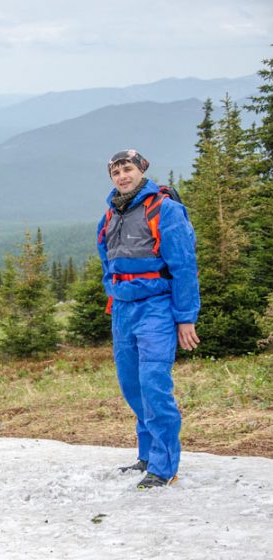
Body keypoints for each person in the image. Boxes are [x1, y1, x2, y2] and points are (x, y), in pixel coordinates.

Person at [97, 149, 200, 489]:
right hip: (124, 309)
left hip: (156, 306)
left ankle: (164, 466)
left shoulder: (164, 209)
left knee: (154, 382)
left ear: (142, 170)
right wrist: (113, 297)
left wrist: (186, 318)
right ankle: (147, 454)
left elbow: (184, 266)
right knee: (132, 385)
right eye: (116, 172)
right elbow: (106, 260)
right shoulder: (111, 216)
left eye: (128, 169)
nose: (122, 176)